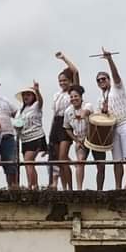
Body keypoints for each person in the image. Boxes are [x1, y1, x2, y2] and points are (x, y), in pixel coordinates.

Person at [97, 48, 126, 189]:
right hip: (114, 127)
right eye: (99, 80)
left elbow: (116, 75)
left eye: (104, 79)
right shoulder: (100, 99)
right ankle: (118, 187)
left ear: (108, 80)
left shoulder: (117, 87)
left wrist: (109, 60)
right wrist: (103, 111)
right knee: (116, 159)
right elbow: (101, 119)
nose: (101, 81)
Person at [63, 84, 105, 190]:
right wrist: (76, 140)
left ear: (81, 96)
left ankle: (99, 190)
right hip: (80, 139)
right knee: (80, 161)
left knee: (100, 165)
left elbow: (86, 112)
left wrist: (82, 115)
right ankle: (79, 189)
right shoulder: (68, 111)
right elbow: (67, 128)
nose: (74, 99)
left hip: (94, 138)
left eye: (76, 96)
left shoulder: (88, 105)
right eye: (71, 97)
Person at [48, 52, 79, 190]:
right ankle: (64, 187)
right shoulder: (57, 94)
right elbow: (54, 113)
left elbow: (76, 71)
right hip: (56, 124)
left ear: (70, 81)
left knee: (63, 157)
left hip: (66, 124)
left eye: (65, 80)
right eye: (60, 81)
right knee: (57, 160)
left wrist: (64, 59)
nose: (62, 83)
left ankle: (71, 188)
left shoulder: (72, 92)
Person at [15, 82, 48, 190]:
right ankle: (34, 185)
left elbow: (41, 101)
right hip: (25, 139)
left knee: (28, 161)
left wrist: (37, 90)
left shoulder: (36, 106)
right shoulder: (20, 111)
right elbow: (17, 124)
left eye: (28, 95)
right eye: (24, 95)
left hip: (36, 137)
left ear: (33, 96)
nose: (26, 97)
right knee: (28, 163)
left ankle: (31, 186)